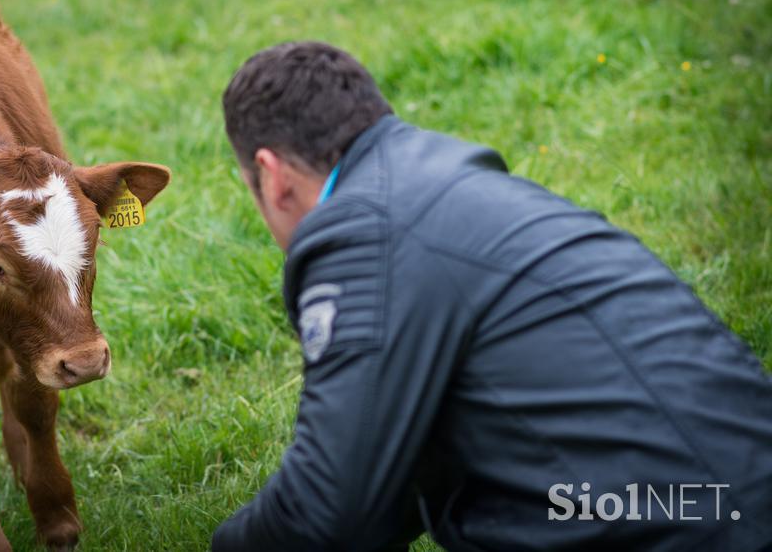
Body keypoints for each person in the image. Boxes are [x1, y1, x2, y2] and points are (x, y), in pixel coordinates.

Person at [211, 41, 772, 551]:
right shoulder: (451, 187)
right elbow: (386, 483)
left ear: (273, 175)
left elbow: (326, 514)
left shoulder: (364, 232)